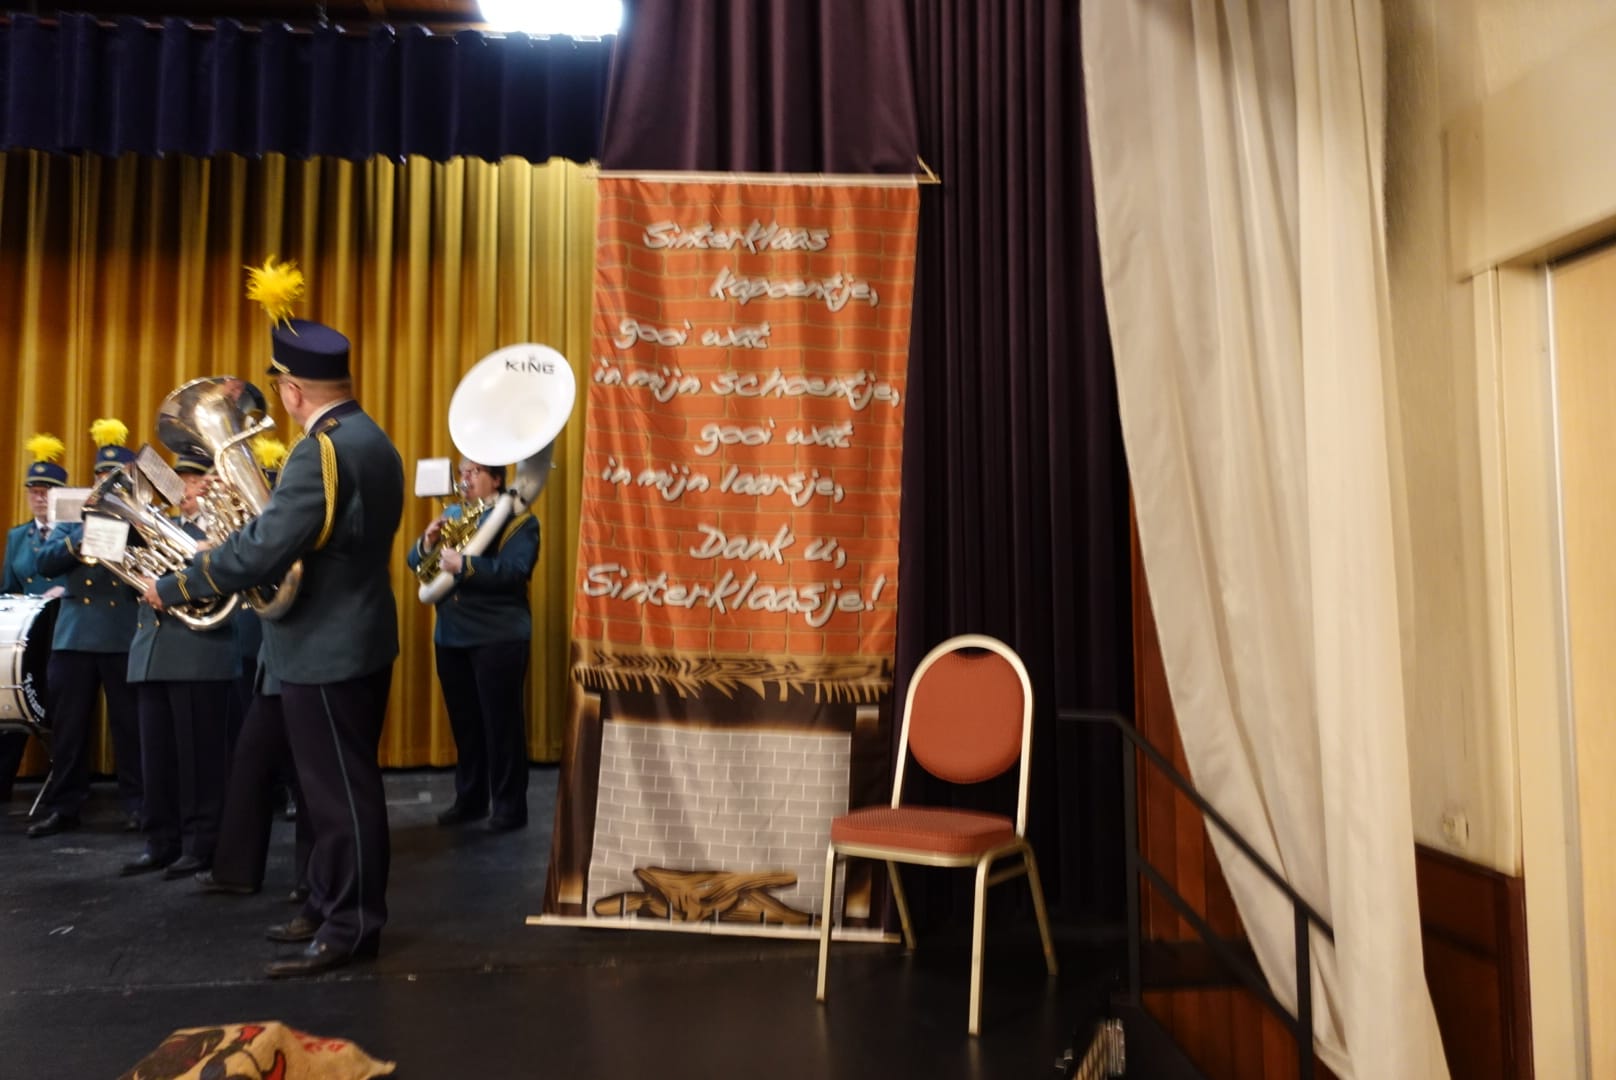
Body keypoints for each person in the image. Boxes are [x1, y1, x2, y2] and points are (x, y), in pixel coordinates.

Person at [145, 307, 403, 979]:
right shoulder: (372, 438)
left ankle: (350, 926)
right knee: (329, 792)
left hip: (324, 647)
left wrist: (178, 584)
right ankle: (324, 904)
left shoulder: (321, 451)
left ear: (291, 391)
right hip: (353, 637)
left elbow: (264, 548)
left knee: (339, 797)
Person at [121, 453, 238, 877]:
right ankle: (160, 840)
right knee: (156, 758)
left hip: (197, 653)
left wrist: (170, 581)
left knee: (198, 760)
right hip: (151, 653)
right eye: (180, 481)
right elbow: (125, 571)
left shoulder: (226, 532)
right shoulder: (157, 528)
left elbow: (224, 576)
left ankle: (202, 842)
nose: (186, 489)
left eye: (194, 480)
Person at [407, 458, 539, 830]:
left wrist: (465, 566)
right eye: (462, 472)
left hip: (498, 635)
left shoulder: (519, 521)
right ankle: (470, 800)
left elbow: (515, 572)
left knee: (501, 727)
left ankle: (509, 808)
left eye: (474, 472)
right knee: (465, 725)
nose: (464, 479)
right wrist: (427, 543)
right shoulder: (453, 514)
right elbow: (418, 565)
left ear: (496, 480)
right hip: (451, 635)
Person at [27, 421, 144, 837]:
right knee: (69, 728)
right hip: (75, 634)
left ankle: (138, 804)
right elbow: (43, 562)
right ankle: (65, 806)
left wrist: (125, 529)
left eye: (114, 477)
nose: (105, 483)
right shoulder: (70, 517)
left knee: (130, 726)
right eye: (100, 477)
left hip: (121, 632)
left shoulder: (142, 519)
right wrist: (81, 537)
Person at [0, 434, 70, 802]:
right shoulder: (17, 536)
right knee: (12, 706)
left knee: (60, 709)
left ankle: (62, 789)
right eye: (34, 491)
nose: (40, 498)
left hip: (61, 631)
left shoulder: (71, 533)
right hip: (24, 639)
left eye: (47, 492)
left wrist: (62, 591)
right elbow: (8, 587)